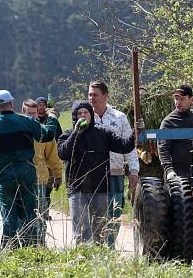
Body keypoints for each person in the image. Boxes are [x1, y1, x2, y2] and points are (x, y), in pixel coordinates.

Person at [0, 90, 56, 249]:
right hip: (27, 175)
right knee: (29, 214)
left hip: (5, 177)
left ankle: (9, 249)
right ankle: (31, 249)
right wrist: (52, 118)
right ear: (12, 103)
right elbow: (47, 135)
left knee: (9, 216)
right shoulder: (26, 122)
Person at [57, 101, 135, 245]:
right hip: (77, 189)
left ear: (91, 115)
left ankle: (98, 260)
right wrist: (76, 132)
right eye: (79, 113)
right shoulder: (67, 135)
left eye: (85, 113)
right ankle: (82, 260)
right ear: (74, 116)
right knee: (81, 231)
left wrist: (136, 133)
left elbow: (125, 146)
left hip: (99, 189)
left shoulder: (103, 133)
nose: (82, 116)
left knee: (100, 231)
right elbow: (63, 153)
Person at [87, 81, 140, 248]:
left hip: (115, 172)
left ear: (105, 96)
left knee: (115, 210)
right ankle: (96, 246)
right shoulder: (86, 118)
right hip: (93, 174)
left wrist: (134, 170)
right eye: (89, 94)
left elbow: (129, 146)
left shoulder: (119, 117)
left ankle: (109, 246)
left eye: (95, 94)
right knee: (95, 212)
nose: (91, 98)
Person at [158, 84, 193, 257]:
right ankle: (178, 252)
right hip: (179, 177)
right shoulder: (168, 122)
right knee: (180, 214)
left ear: (190, 99)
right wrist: (169, 170)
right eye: (176, 98)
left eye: (181, 99)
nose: (178, 102)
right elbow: (163, 149)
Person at [22, 99, 64, 246]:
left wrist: (58, 174)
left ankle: (40, 243)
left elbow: (53, 155)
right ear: (23, 112)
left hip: (40, 179)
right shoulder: (17, 130)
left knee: (40, 214)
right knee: (24, 214)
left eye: (34, 114)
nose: (32, 116)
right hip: (20, 180)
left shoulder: (43, 132)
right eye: (29, 113)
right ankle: (25, 243)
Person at [35, 96, 62, 221]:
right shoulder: (32, 121)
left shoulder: (51, 121)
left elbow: (59, 136)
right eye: (39, 105)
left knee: (47, 188)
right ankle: (40, 212)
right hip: (38, 160)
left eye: (43, 105)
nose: (41, 107)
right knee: (39, 187)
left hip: (50, 157)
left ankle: (45, 210)